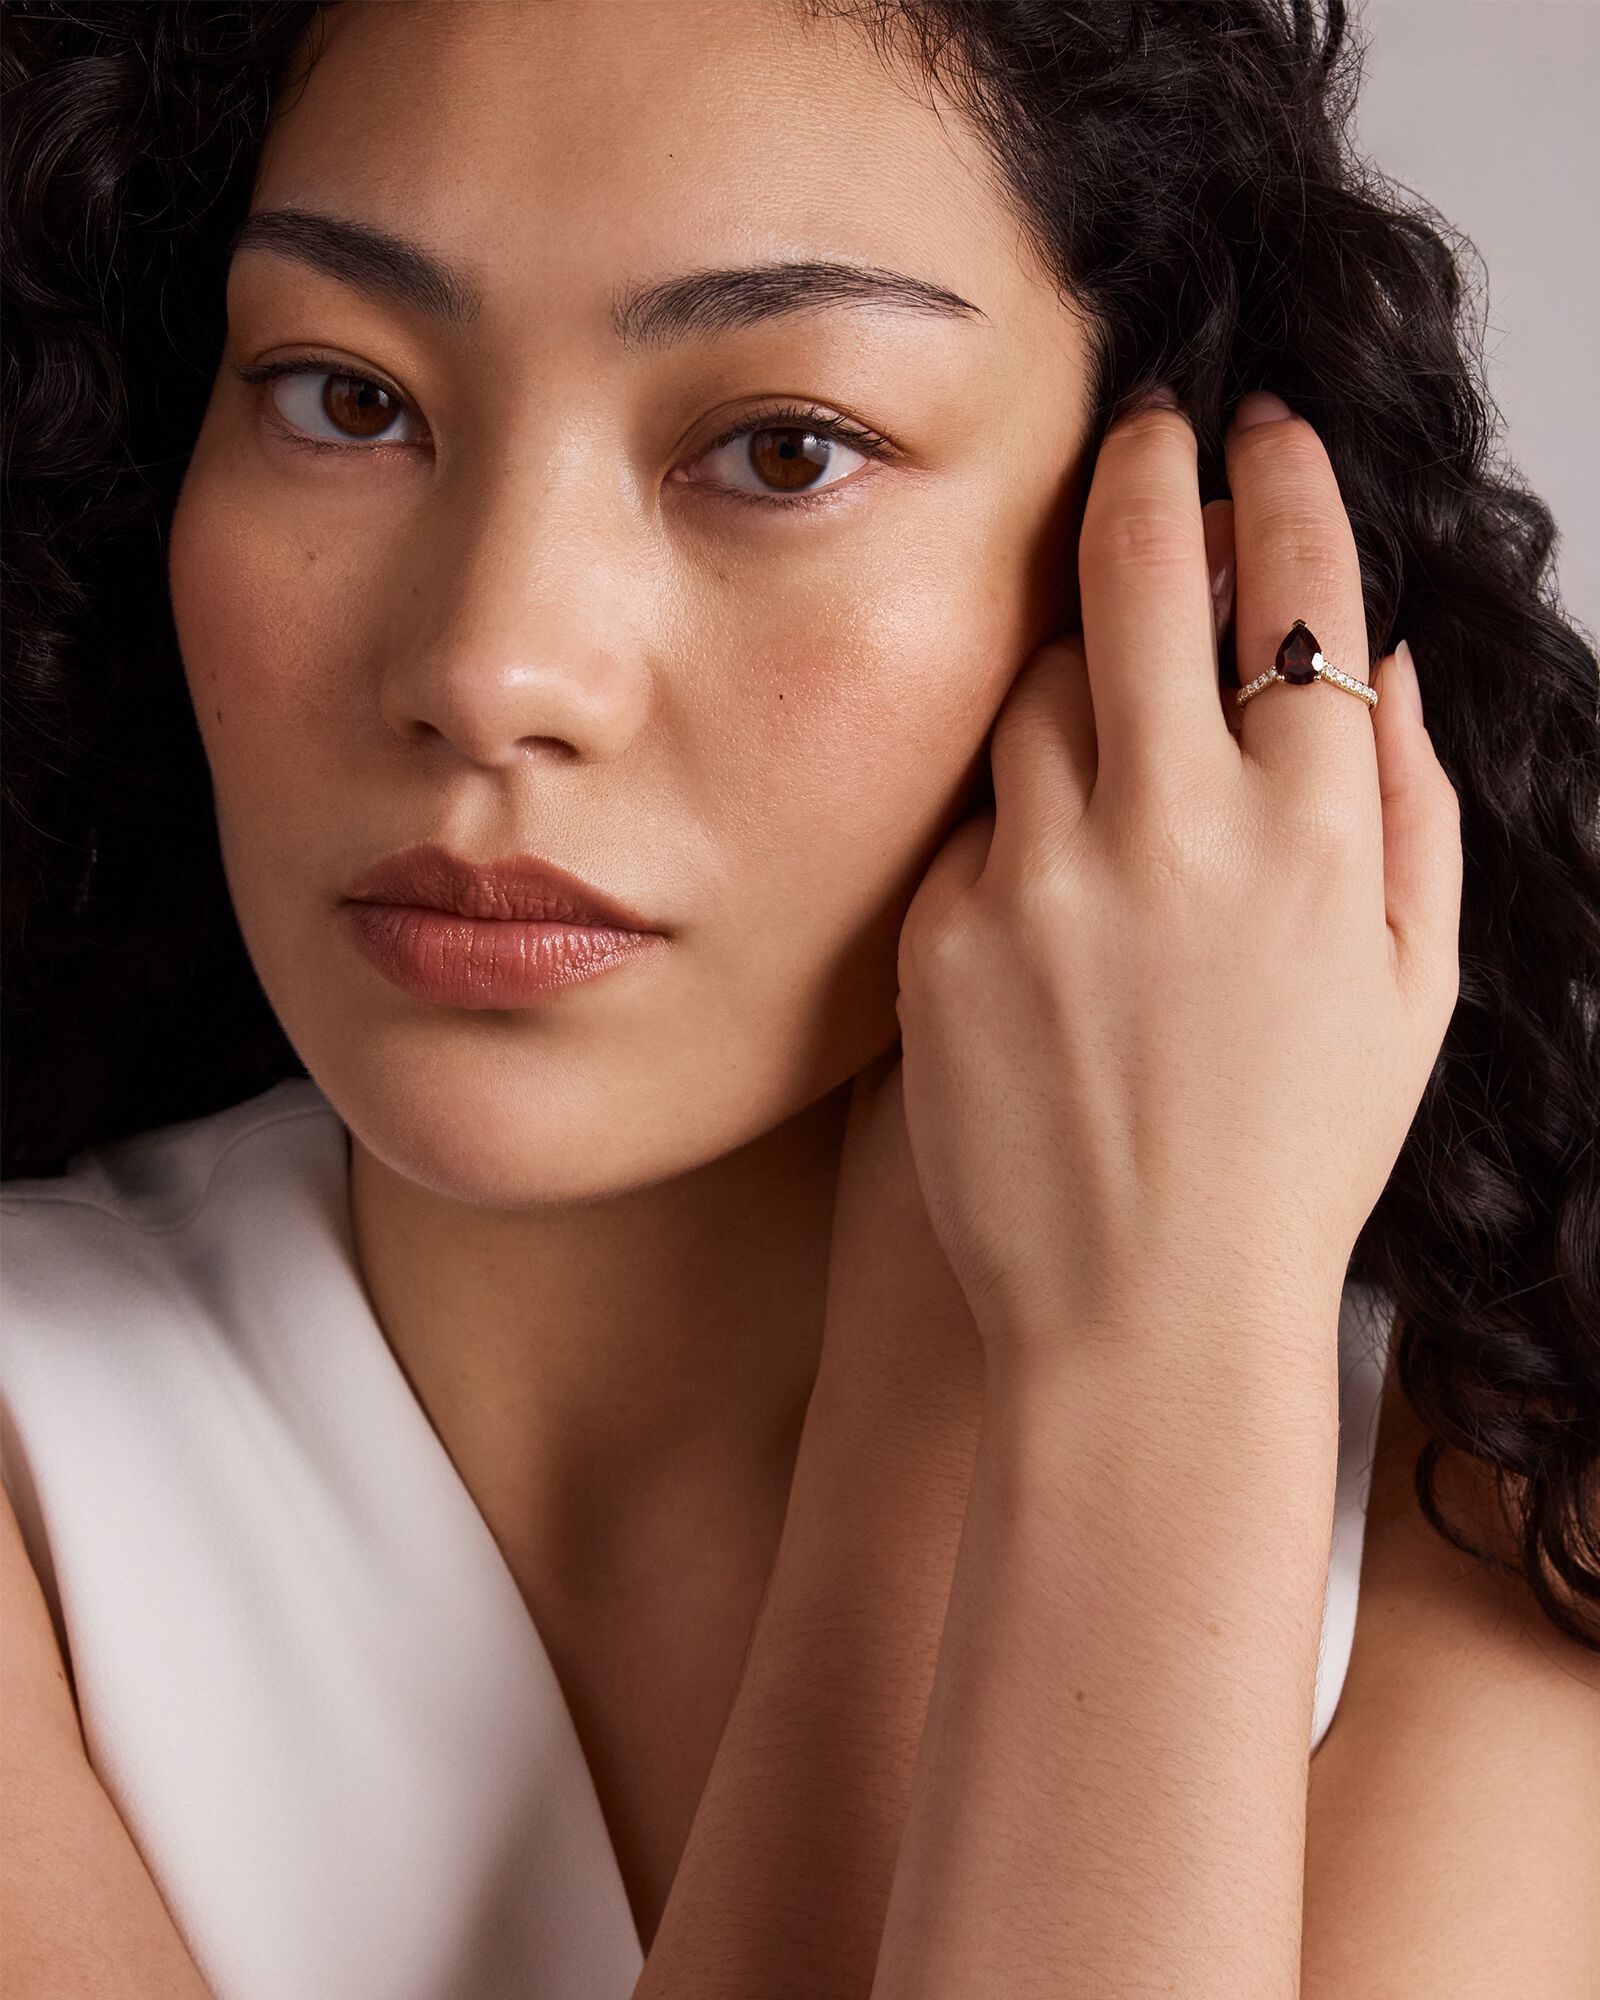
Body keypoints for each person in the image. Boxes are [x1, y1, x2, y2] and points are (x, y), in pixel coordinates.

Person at [3, 1, 1596, 1995]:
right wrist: (970, 1372)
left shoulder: (1495, 1514)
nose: (494, 662)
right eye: (341, 397)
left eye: (780, 449)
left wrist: (1143, 1360)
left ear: (1161, 560)